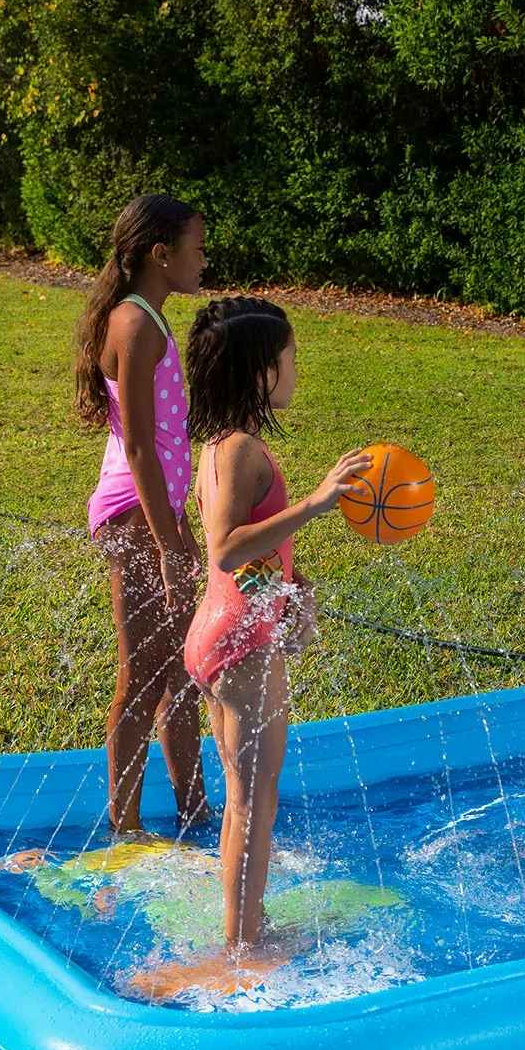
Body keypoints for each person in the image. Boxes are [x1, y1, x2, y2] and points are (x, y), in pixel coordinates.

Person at [180, 296, 370, 951]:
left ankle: (242, 929)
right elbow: (226, 547)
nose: (296, 369)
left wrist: (293, 587)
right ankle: (244, 944)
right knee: (255, 801)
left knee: (246, 796)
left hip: (226, 633)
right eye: (290, 356)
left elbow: (247, 557)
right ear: (261, 370)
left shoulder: (221, 446)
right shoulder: (237, 450)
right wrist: (317, 503)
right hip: (239, 644)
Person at [74, 194, 210, 835]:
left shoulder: (149, 318)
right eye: (197, 247)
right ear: (161, 252)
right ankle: (123, 828)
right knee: (142, 673)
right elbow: (135, 444)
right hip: (134, 515)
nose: (203, 259)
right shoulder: (134, 324)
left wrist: (180, 526)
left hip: (157, 514)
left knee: (181, 668)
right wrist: (167, 542)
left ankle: (195, 811)